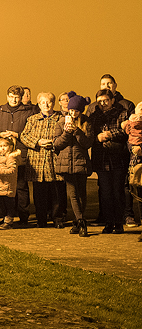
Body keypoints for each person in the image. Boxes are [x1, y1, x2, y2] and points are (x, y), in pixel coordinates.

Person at [0, 85, 37, 225]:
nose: (13, 100)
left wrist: (18, 135)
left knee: (21, 186)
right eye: (11, 96)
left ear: (21, 98)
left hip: (19, 154)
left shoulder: (27, 112)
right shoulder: (0, 112)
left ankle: (23, 216)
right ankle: (6, 215)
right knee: (3, 186)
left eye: (16, 97)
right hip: (2, 155)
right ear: (7, 96)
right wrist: (0, 134)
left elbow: (31, 133)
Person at [20, 92, 65, 228]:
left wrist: (54, 143)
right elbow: (24, 136)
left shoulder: (60, 118)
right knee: (39, 193)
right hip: (37, 160)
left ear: (53, 103)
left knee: (56, 191)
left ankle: (57, 218)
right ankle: (41, 219)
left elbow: (66, 136)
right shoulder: (32, 119)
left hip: (54, 159)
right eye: (43, 102)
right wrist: (37, 142)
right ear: (39, 104)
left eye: (49, 102)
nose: (46, 105)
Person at [89, 89, 129, 234]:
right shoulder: (94, 116)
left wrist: (110, 134)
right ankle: (108, 222)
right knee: (105, 193)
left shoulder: (122, 113)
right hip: (101, 160)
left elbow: (126, 132)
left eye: (105, 100)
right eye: (99, 101)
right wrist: (97, 138)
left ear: (112, 100)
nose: (103, 104)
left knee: (118, 192)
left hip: (118, 159)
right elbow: (88, 134)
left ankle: (119, 222)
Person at [54, 94, 92, 237]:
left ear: (81, 111)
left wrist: (76, 131)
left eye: (76, 110)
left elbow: (88, 143)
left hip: (81, 162)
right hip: (66, 163)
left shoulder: (86, 123)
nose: (73, 113)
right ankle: (82, 222)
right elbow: (57, 144)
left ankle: (77, 221)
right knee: (73, 194)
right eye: (71, 110)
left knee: (82, 194)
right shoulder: (61, 122)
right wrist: (66, 132)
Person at [0, 137, 21, 230]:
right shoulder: (0, 156)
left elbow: (12, 170)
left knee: (9, 204)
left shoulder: (11, 157)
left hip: (7, 185)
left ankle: (9, 221)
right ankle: (5, 219)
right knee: (2, 203)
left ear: (11, 147)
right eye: (0, 146)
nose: (2, 148)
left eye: (5, 146)